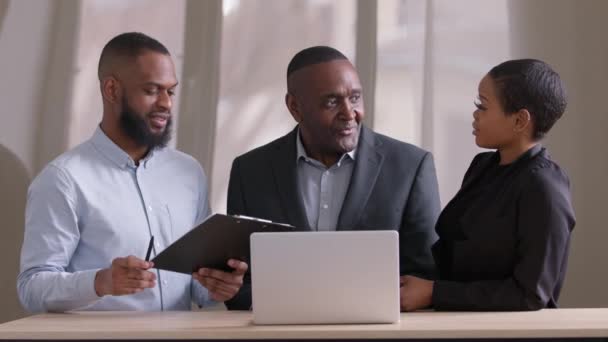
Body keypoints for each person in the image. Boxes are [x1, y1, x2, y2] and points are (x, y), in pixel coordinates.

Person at [17, 32, 246, 312]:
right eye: (151, 91)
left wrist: (217, 286)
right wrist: (101, 282)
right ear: (112, 90)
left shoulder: (189, 172)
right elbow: (32, 287)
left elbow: (197, 286)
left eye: (170, 91)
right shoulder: (63, 180)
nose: (166, 104)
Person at [224, 46, 441, 310]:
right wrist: (229, 287)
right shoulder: (250, 172)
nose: (350, 113)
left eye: (355, 98)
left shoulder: (411, 167)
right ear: (295, 107)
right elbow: (238, 283)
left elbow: (426, 278)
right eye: (332, 101)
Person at [400, 59, 575, 311]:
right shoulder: (483, 165)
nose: (474, 114)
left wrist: (434, 293)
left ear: (519, 120)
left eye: (482, 105)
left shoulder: (544, 188)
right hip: (458, 324)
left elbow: (530, 294)